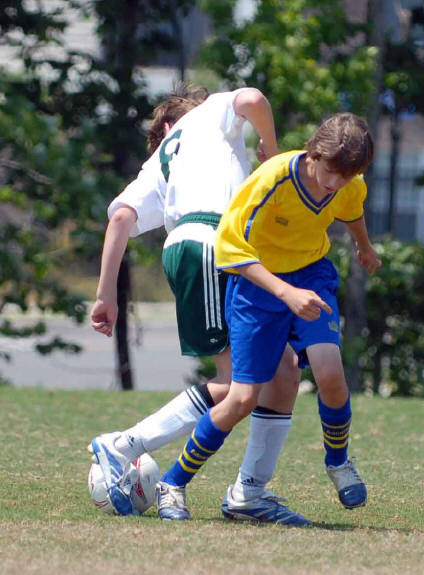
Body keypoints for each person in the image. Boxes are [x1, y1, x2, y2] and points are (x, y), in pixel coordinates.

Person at [89, 83, 308, 525]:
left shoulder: (161, 162)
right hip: (212, 245)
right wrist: (271, 148)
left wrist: (105, 294)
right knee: (236, 384)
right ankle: (125, 445)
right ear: (179, 120)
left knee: (283, 370)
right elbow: (253, 99)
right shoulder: (205, 115)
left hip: (222, 252)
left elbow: (121, 218)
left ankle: (250, 493)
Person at [157, 112, 382, 523]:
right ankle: (172, 483)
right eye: (330, 173)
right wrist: (284, 292)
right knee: (241, 399)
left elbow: (352, 210)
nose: (334, 184)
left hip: (311, 276)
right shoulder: (273, 179)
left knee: (331, 372)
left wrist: (364, 247)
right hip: (257, 286)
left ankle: (338, 462)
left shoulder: (349, 183)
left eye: (346, 177)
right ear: (314, 153)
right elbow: (228, 249)